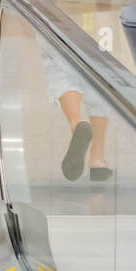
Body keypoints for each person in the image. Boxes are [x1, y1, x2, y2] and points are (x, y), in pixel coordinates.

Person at [43, 45, 113, 182]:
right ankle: (97, 160)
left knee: (61, 72)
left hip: (59, 26)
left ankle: (76, 125)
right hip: (97, 34)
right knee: (98, 80)